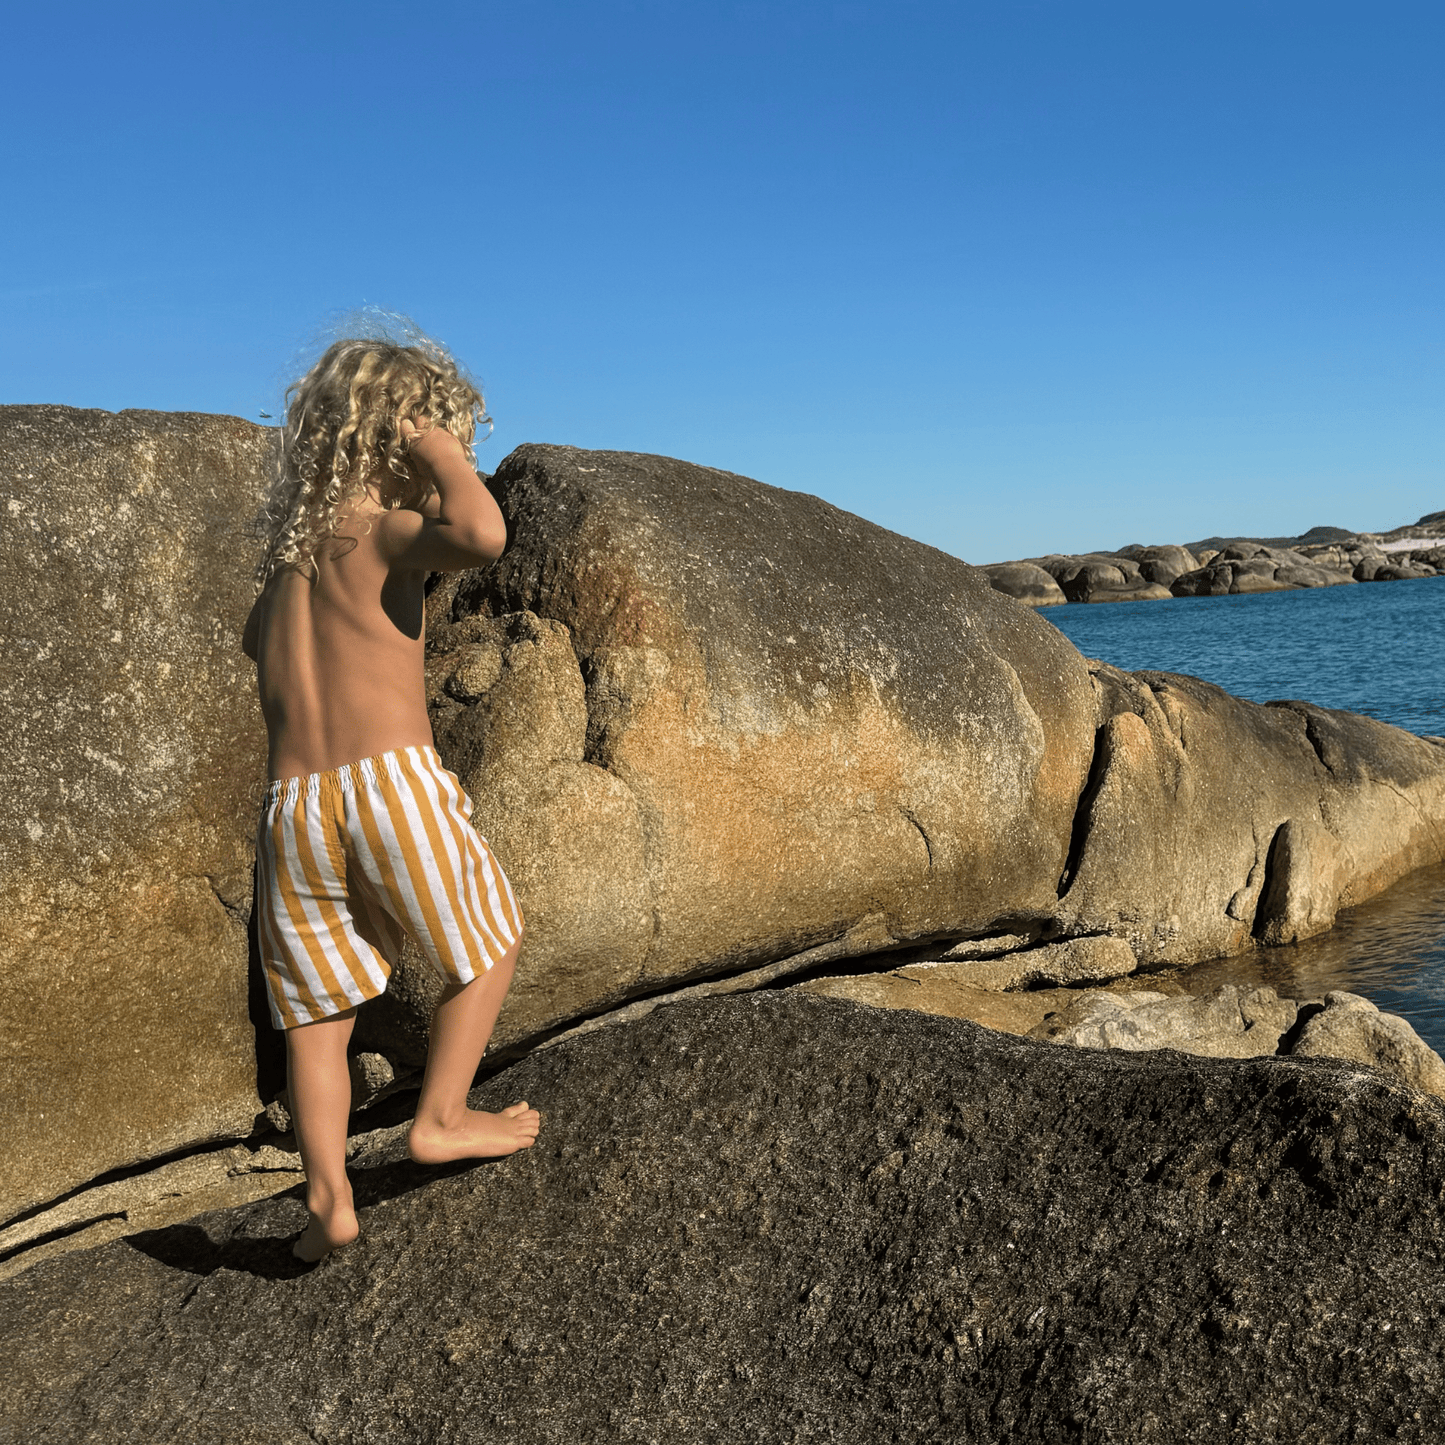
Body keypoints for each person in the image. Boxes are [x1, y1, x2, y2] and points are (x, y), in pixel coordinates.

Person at [243, 329, 539, 1263]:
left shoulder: (284, 571)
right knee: (488, 939)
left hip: (292, 809)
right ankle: (441, 1115)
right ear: (395, 439)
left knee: (316, 1020)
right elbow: (483, 533)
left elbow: (261, 652)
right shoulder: (384, 529)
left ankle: (328, 1199)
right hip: (389, 784)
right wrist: (441, 456)